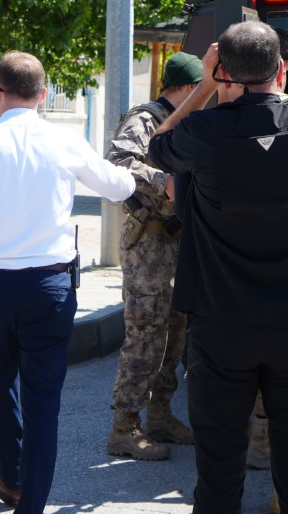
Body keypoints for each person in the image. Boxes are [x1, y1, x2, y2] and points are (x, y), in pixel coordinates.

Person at [148, 20, 288, 514]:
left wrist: (204, 86)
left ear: (224, 70)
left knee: (218, 472)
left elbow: (157, 145)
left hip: (221, 327)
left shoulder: (202, 131)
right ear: (281, 71)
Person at [0, 50, 134, 514]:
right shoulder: (64, 141)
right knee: (43, 401)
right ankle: (28, 501)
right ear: (43, 95)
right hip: (50, 289)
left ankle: (12, 476)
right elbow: (118, 188)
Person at [105, 51, 202, 461]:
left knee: (176, 331)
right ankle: (124, 427)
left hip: (178, 241)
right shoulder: (145, 118)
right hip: (149, 243)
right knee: (146, 333)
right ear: (182, 88)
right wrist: (162, 181)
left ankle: (160, 414)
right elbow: (117, 160)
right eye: (198, 90)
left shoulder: (187, 118)